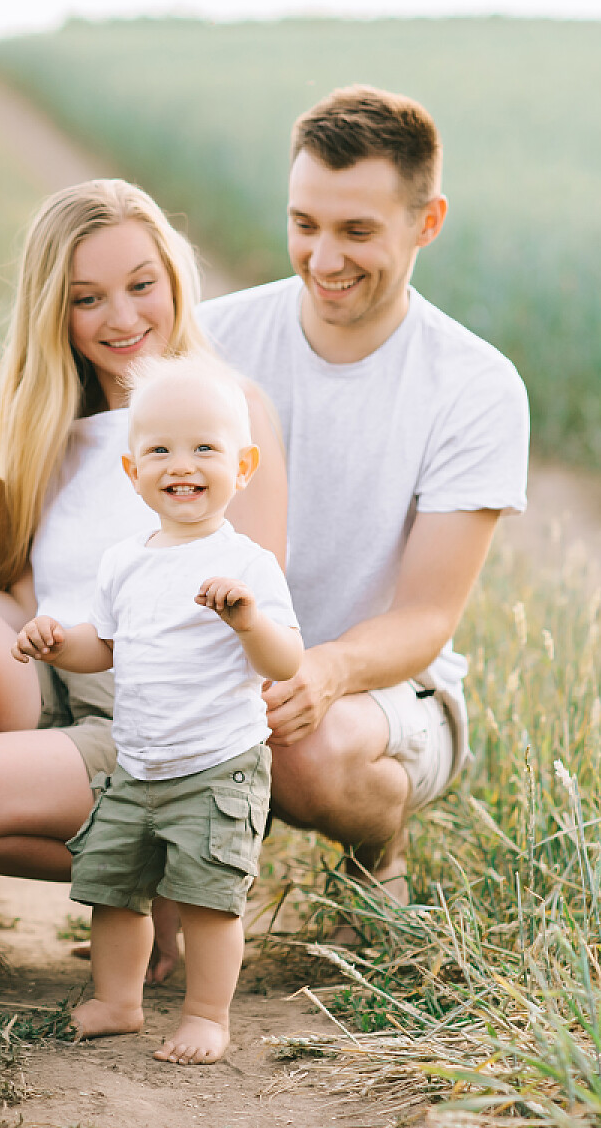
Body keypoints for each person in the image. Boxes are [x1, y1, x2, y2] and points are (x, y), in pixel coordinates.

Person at [0, 179, 289, 996]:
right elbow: (27, 608)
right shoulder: (48, 429)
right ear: (54, 313)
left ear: (174, 281)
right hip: (59, 689)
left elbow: (253, 589)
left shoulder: (227, 412)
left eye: (142, 285)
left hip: (157, 726)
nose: (123, 317)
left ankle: (174, 865)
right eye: (87, 298)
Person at [199, 85, 530, 912]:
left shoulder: (475, 384)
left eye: (356, 231)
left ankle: (378, 849)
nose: (323, 257)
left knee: (306, 753)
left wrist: (324, 670)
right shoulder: (213, 337)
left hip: (388, 689)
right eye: (304, 224)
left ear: (428, 222)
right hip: (220, 664)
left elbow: (425, 618)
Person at [13, 354, 302, 1064]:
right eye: (161, 449)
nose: (183, 463)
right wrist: (57, 642)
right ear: (131, 469)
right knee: (115, 889)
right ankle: (119, 999)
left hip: (215, 766)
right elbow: (103, 646)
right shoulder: (124, 561)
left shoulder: (248, 565)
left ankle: (207, 1013)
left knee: (208, 900)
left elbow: (285, 661)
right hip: (136, 761)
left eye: (205, 447)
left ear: (243, 465)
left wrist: (246, 620)